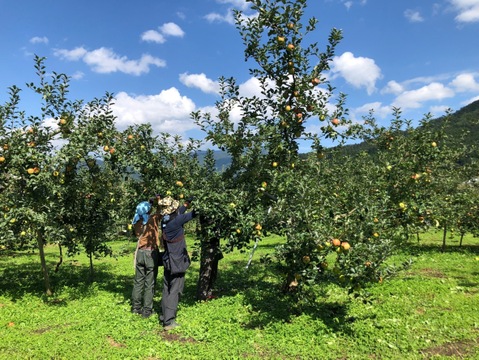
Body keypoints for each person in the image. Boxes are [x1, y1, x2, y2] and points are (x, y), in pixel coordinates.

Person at [159, 196, 196, 331]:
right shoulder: (176, 221)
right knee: (175, 290)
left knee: (167, 288)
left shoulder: (165, 220)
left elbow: (179, 212)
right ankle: (169, 321)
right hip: (177, 261)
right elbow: (193, 214)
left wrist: (187, 203)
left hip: (168, 259)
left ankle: (164, 316)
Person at [130, 196, 163, 318]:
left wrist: (149, 203)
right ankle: (147, 310)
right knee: (150, 283)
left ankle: (135, 308)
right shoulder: (153, 219)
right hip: (150, 253)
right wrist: (158, 201)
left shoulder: (136, 221)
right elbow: (160, 212)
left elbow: (144, 212)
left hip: (140, 252)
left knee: (138, 282)